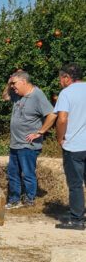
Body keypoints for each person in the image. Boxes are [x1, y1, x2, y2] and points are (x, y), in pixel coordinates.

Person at [5, 70, 56, 210]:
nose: (12, 86)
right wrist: (9, 82)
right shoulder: (17, 95)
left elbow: (52, 114)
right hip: (15, 143)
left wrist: (40, 131)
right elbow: (5, 96)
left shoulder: (37, 95)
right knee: (13, 173)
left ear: (23, 82)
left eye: (14, 83)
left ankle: (29, 200)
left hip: (28, 144)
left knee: (27, 173)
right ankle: (14, 200)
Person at [54, 63, 86, 230]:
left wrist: (60, 138)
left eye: (61, 78)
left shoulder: (66, 93)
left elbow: (62, 119)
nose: (60, 82)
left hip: (74, 145)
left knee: (75, 185)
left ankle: (77, 219)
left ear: (67, 77)